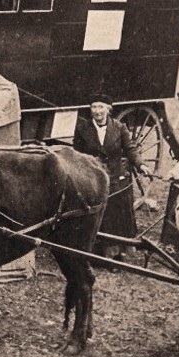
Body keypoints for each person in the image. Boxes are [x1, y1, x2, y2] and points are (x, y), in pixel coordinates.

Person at [72, 95, 149, 259]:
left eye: (101, 107)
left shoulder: (120, 127)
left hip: (116, 177)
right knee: (98, 215)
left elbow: (131, 149)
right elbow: (77, 154)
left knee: (117, 213)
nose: (97, 111)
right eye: (93, 107)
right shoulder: (82, 129)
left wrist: (141, 165)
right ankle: (100, 254)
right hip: (94, 178)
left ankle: (118, 252)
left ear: (108, 109)